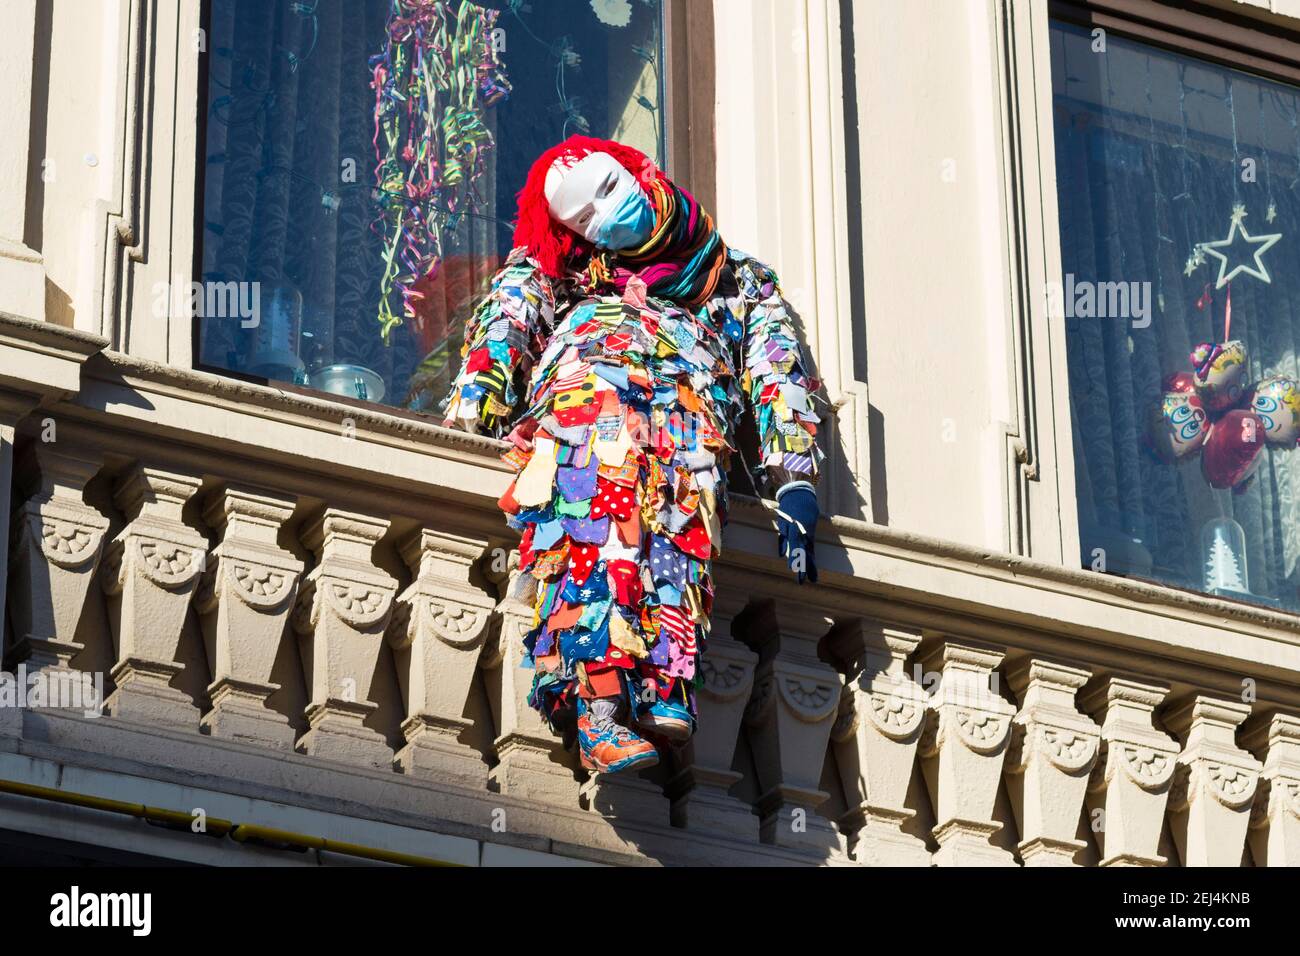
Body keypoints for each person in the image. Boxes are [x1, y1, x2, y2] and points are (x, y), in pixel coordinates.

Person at [443, 135, 822, 773]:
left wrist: (793, 477)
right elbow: (504, 330)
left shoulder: (734, 280)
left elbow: (773, 367)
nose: (604, 219)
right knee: (598, 525)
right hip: (590, 411)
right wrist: (467, 423)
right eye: (583, 218)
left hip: (689, 424)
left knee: (683, 514)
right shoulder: (558, 275)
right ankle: (599, 705)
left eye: (609, 193)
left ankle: (665, 682)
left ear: (641, 172)